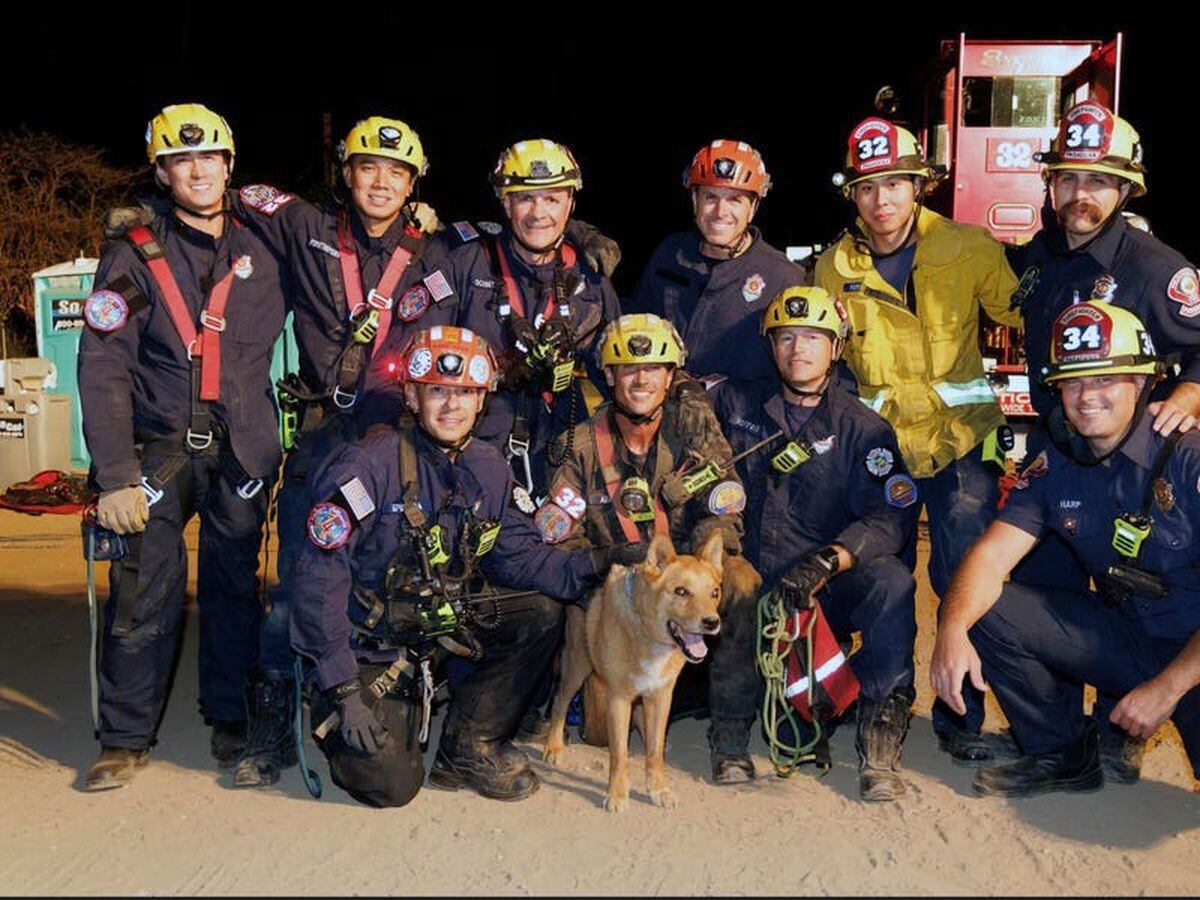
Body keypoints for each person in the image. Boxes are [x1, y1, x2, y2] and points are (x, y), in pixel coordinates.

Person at [290, 326, 626, 806]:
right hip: (372, 649)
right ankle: (336, 703)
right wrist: (342, 685)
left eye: (466, 393)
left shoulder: (488, 468)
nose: (452, 406)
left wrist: (600, 561)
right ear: (411, 394)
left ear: (483, 400)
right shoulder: (367, 465)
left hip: (442, 630)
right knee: (390, 786)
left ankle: (467, 746)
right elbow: (317, 578)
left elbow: (523, 558)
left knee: (539, 610)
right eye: (438, 392)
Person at [79, 103, 286, 790]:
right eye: (181, 160)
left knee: (234, 592)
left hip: (244, 452)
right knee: (143, 594)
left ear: (229, 165)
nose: (198, 170)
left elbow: (351, 246)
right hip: (158, 451)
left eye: (209, 158)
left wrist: (419, 226)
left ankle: (229, 719)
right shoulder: (132, 253)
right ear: (162, 172)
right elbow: (103, 364)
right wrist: (112, 475)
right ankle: (125, 736)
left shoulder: (267, 243)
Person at [814, 116, 1021, 763]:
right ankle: (883, 699)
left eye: (895, 185)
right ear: (855, 195)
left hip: (960, 446)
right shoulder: (833, 266)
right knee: (885, 579)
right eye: (868, 188)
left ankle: (963, 722)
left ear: (918, 187)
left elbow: (1025, 309)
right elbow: (823, 358)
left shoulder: (969, 247)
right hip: (882, 455)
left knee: (966, 580)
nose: (882, 200)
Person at [931, 302, 1200, 797]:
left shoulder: (1188, 457)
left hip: (1193, 654)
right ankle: (1060, 754)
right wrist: (950, 626)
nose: (1086, 396)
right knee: (988, 608)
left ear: (1140, 383)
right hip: (1128, 635)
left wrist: (1169, 687)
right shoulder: (1056, 464)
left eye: (1103, 380)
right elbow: (990, 557)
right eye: (1073, 382)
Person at [1006, 101, 1200, 782]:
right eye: (1067, 179)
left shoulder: (1155, 268)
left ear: (1124, 190)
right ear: (1051, 184)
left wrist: (1190, 391)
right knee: (1045, 593)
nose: (1079, 195)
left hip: (1136, 462)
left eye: (1097, 182)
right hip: (1061, 455)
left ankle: (1129, 720)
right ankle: (1068, 737)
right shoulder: (1041, 255)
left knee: (1136, 589)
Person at [701, 286, 918, 799]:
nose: (799, 349)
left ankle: (880, 740)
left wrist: (830, 560)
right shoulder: (734, 403)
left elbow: (890, 516)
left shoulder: (864, 429)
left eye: (814, 338)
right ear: (771, 345)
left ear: (836, 348)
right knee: (734, 579)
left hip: (820, 589)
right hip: (750, 585)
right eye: (787, 337)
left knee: (892, 582)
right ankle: (729, 738)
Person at [364, 139, 622, 501]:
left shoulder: (591, 278)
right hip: (467, 458)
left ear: (570, 204)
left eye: (552, 198)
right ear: (505, 202)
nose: (538, 213)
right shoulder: (465, 265)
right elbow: (401, 363)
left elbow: (623, 381)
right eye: (525, 198)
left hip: (560, 457)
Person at [629, 140, 806, 380]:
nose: (720, 212)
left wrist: (715, 396)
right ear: (695, 200)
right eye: (710, 197)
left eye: (735, 200)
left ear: (753, 207)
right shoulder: (669, 255)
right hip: (662, 412)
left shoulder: (784, 278)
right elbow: (634, 328)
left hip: (739, 416)